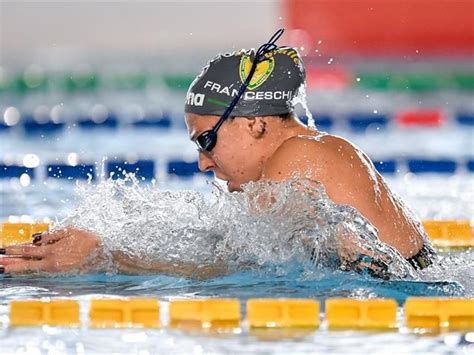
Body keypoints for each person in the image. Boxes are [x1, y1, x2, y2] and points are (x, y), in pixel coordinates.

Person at [0, 30, 434, 276]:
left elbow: (237, 267)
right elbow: (235, 251)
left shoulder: (299, 157)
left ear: (253, 123)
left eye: (207, 140)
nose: (203, 162)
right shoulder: (315, 154)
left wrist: (105, 259)